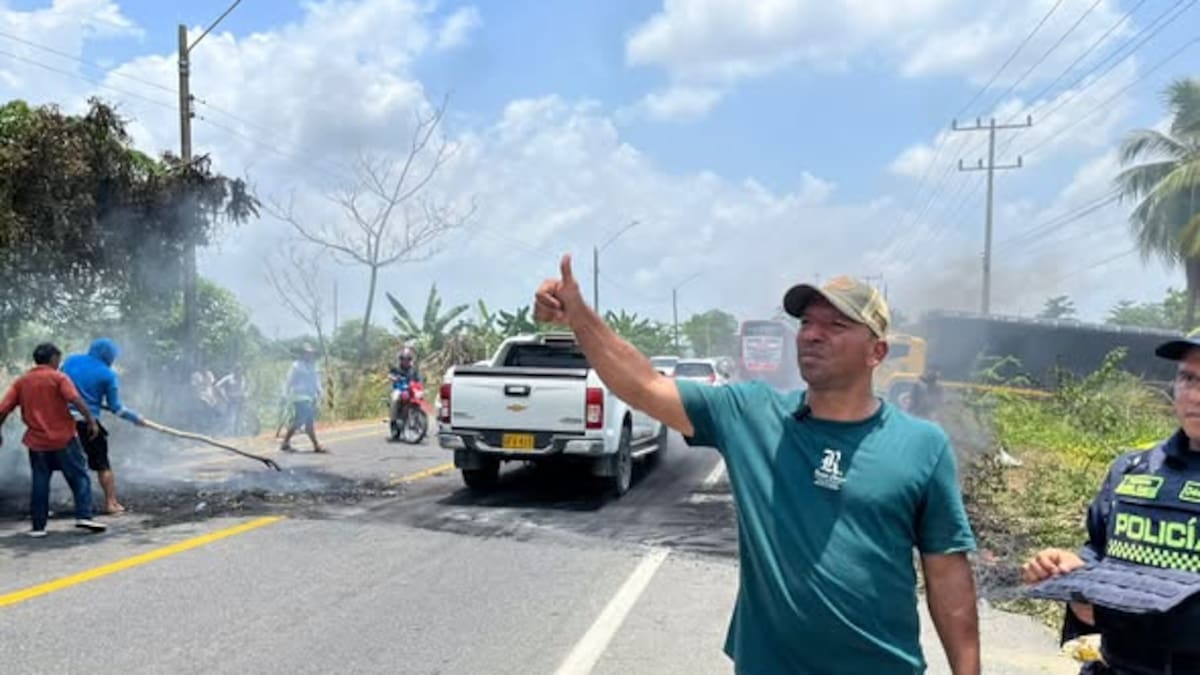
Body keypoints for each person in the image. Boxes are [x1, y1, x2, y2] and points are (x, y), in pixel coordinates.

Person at [534, 256, 980, 674]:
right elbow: (646, 385)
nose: (812, 334)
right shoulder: (752, 415)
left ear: (876, 352)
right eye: (806, 322)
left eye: (836, 325)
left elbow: (947, 575)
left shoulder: (922, 446)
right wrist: (581, 318)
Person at [1021, 335, 1200, 674]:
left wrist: (1110, 613)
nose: (1194, 396)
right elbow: (1099, 550)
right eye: (1187, 378)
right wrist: (1074, 573)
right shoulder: (1133, 469)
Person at [0, 343, 107, 536]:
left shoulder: (22, 382)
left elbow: (3, 409)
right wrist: (91, 421)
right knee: (79, 476)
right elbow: (75, 399)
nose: (59, 362)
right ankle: (84, 516)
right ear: (53, 358)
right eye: (58, 358)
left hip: (37, 443)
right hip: (63, 439)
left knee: (40, 482)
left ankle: (38, 527)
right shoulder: (59, 378)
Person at [61, 337, 145, 515]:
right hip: (88, 424)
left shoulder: (70, 361)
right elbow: (116, 408)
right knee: (102, 465)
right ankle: (111, 503)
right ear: (109, 356)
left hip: (61, 422)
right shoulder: (107, 374)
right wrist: (135, 418)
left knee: (71, 465)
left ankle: (79, 504)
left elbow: (58, 385)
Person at [280, 344, 326, 453]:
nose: (310, 355)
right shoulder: (297, 366)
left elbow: (316, 381)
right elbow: (289, 380)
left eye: (311, 353)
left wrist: (320, 392)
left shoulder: (313, 366)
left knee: (306, 421)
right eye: (307, 353)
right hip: (300, 396)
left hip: (311, 396)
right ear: (303, 354)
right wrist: (284, 394)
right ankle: (316, 445)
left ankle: (286, 442)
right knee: (302, 419)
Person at [215, 363, 249, 434]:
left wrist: (245, 394)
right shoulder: (228, 378)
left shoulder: (243, 378)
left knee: (241, 417)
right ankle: (227, 433)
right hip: (231, 400)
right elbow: (217, 386)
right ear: (234, 370)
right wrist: (223, 396)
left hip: (240, 400)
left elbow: (243, 389)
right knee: (230, 417)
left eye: (240, 370)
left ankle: (239, 432)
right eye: (237, 370)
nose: (239, 372)